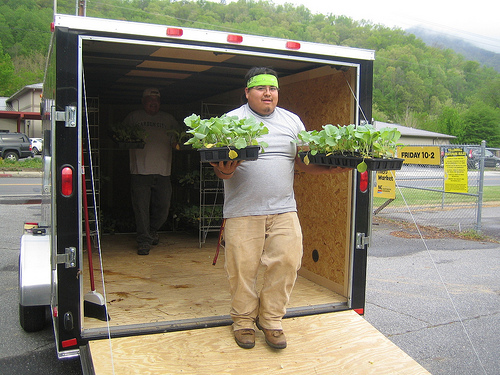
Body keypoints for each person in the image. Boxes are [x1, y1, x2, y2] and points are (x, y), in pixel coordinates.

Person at [210, 67, 349, 349]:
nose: (267, 93)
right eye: (260, 88)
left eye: (272, 89)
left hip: (284, 209)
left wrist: (330, 169)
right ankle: (243, 321)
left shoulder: (291, 121)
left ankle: (271, 320)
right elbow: (223, 170)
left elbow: (303, 162)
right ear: (247, 92)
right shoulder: (232, 121)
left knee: (288, 261)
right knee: (242, 269)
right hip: (243, 210)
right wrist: (223, 171)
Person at [124, 88, 180, 255]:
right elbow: (120, 134)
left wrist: (178, 143)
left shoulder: (168, 119)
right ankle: (144, 241)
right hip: (140, 171)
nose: (153, 104)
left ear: (160, 103)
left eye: (156, 101)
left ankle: (152, 230)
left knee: (163, 208)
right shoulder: (134, 117)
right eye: (150, 101)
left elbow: (178, 139)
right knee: (141, 208)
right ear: (143, 102)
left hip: (163, 171)